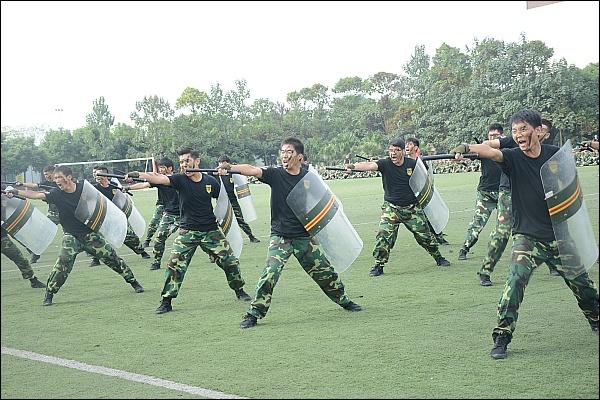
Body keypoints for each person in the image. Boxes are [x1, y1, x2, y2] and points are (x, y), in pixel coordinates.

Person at [452, 109, 599, 359]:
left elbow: (570, 190)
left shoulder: (555, 155)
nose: (518, 135)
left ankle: (595, 318)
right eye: (514, 131)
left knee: (583, 285)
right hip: (527, 237)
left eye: (523, 129)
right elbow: (491, 151)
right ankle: (501, 337)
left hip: (559, 236)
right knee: (514, 282)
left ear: (537, 130)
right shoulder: (512, 158)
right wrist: (467, 147)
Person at [218, 137, 362, 329]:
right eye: (283, 152)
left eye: (289, 152)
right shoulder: (275, 174)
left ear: (299, 157)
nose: (284, 156)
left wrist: (317, 234)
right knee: (269, 274)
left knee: (325, 273)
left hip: (304, 236)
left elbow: (318, 205)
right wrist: (231, 167)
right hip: (281, 237)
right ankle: (254, 313)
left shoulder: (308, 177)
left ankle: (344, 300)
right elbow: (251, 169)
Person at [125, 147, 252, 314]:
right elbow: (158, 178)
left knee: (230, 262)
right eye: (181, 162)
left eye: (187, 161)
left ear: (197, 161)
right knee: (174, 266)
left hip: (210, 231)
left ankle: (239, 291)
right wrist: (138, 174)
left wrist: (224, 175)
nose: (184, 165)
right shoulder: (179, 179)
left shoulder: (210, 182)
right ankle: (166, 301)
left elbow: (222, 201)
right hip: (187, 232)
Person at [6, 165, 145, 306]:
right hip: (71, 236)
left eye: (59, 177)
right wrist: (16, 191)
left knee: (112, 258)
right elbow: (37, 195)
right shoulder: (55, 194)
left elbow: (101, 200)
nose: (56, 180)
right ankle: (49, 294)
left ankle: (134, 282)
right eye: (55, 178)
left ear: (69, 177)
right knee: (62, 264)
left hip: (90, 234)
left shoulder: (84, 189)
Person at [345, 138, 451, 277]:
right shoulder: (385, 163)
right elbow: (369, 166)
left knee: (425, 237)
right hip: (391, 208)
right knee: (383, 235)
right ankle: (378, 265)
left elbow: (424, 179)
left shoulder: (412, 164)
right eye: (390, 150)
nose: (393, 153)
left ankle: (438, 257)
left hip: (412, 208)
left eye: (396, 150)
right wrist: (352, 167)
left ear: (402, 151)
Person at [475, 119, 558, 285]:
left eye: (543, 132)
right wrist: (471, 148)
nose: (539, 134)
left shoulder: (548, 151)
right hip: (509, 192)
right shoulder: (513, 140)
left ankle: (554, 264)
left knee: (547, 228)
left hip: (536, 193)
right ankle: (485, 270)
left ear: (543, 133)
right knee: (503, 232)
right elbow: (489, 144)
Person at [124, 158, 180, 271]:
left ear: (170, 168)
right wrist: (128, 188)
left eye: (163, 167)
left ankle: (212, 253)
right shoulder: (159, 181)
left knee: (197, 236)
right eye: (159, 167)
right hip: (169, 214)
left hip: (185, 215)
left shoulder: (178, 179)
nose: (160, 169)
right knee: (160, 237)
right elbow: (144, 185)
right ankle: (156, 262)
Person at [88, 165, 151, 267]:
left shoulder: (114, 186)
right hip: (102, 217)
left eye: (100, 174)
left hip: (116, 217)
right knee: (97, 238)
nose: (97, 176)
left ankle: (141, 251)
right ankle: (95, 259)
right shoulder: (94, 188)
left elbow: (122, 199)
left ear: (107, 176)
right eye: (96, 174)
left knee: (130, 236)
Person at [457, 124, 503, 261]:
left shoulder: (509, 150)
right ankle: (464, 248)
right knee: (477, 223)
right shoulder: (484, 150)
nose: (493, 138)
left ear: (501, 136)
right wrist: (460, 155)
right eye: (490, 136)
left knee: (512, 225)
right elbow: (469, 153)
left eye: (496, 136)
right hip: (486, 193)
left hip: (505, 193)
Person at [405, 137, 449, 245]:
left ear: (415, 147)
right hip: (408, 196)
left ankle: (438, 236)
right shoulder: (404, 162)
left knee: (429, 216)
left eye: (409, 144)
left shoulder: (421, 161)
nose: (406, 146)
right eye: (406, 144)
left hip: (422, 194)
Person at [1, 188, 46, 288]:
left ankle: (33, 279)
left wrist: (10, 196)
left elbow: (21, 201)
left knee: (18, 257)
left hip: (2, 237)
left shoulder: (3, 196)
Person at [16, 165, 60, 264]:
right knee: (41, 232)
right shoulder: (46, 183)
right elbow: (35, 186)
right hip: (53, 212)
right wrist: (22, 184)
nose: (46, 176)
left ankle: (93, 256)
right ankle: (36, 254)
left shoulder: (61, 182)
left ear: (53, 172)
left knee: (76, 233)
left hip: (67, 212)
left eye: (47, 174)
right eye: (45, 175)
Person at [217, 155, 261, 244]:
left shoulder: (233, 173)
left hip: (233, 200)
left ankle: (251, 236)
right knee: (219, 221)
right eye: (221, 163)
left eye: (224, 163)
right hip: (221, 202)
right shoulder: (215, 173)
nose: (222, 165)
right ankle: (219, 240)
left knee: (240, 219)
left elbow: (242, 178)